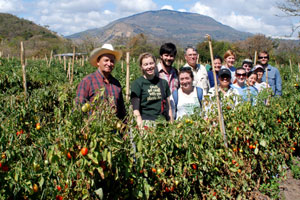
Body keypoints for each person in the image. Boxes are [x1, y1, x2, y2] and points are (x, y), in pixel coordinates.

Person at [76, 43, 126, 120]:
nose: (109, 64)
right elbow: (78, 108)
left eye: (112, 61)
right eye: (106, 60)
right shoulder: (87, 81)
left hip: (114, 129)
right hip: (93, 129)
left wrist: (124, 128)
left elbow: (121, 111)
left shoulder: (116, 84)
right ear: (98, 62)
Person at [131, 53, 173, 127]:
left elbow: (168, 107)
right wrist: (141, 127)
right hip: (145, 122)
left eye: (151, 63)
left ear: (155, 64)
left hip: (162, 122)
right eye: (146, 64)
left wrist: (171, 124)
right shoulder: (138, 83)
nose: (149, 67)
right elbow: (135, 109)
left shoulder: (163, 83)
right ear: (141, 66)